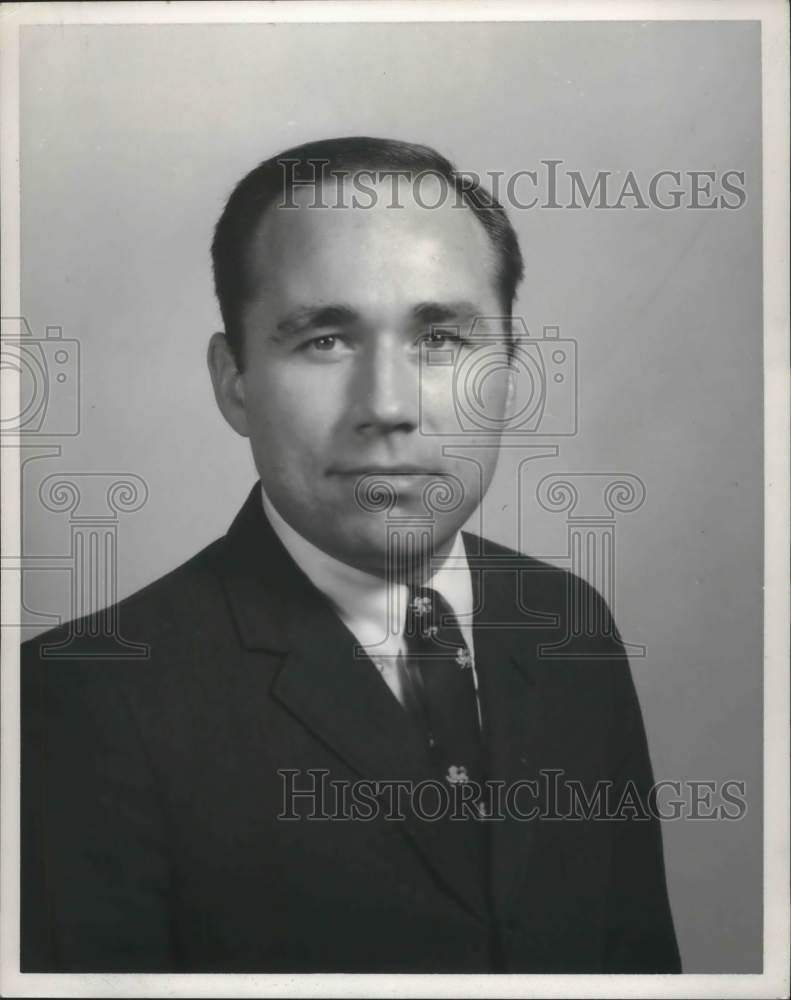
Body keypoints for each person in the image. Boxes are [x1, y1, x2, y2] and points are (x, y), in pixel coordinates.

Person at [21, 136, 681, 973]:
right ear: (234, 381)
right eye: (325, 339)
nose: (387, 406)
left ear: (511, 372)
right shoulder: (79, 699)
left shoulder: (568, 621)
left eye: (440, 340)